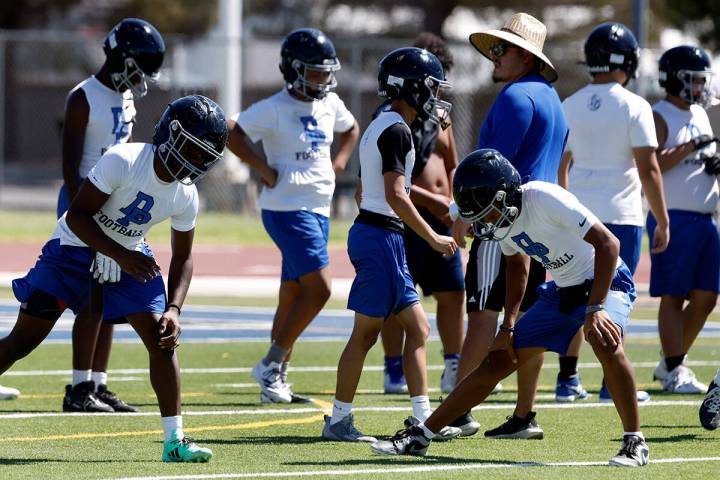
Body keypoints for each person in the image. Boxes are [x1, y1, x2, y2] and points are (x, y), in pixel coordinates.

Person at [371, 149, 649, 468]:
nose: (484, 222)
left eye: (486, 212)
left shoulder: (543, 198)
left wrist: (596, 307)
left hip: (607, 280)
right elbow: (518, 266)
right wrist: (508, 325)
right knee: (498, 359)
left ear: (504, 195)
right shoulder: (506, 220)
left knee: (606, 342)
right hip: (563, 290)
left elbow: (608, 244)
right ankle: (422, 435)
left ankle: (635, 442)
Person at [3, 95, 227, 462]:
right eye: (193, 149)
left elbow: (184, 256)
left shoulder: (186, 195)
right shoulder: (125, 160)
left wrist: (174, 308)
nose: (197, 161)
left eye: (205, 156)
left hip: (127, 256)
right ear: (172, 134)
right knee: (21, 343)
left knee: (162, 340)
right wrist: (117, 253)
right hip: (71, 253)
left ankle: (175, 441)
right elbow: (77, 217)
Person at [321, 47, 460, 443]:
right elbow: (397, 194)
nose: (434, 97)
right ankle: (339, 421)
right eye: (430, 88)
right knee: (365, 334)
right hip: (382, 236)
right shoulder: (397, 127)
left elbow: (367, 192)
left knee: (417, 329)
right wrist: (432, 236)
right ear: (410, 87)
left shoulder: (386, 123)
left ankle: (424, 418)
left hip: (383, 235)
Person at [449, 12, 568, 438]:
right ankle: (523, 414)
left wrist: (461, 214)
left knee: (483, 311)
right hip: (544, 225)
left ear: (526, 56)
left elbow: (490, 170)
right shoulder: (553, 100)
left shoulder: (517, 98)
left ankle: (457, 411)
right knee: (529, 318)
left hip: (502, 224)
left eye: (502, 50)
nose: (493, 57)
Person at [226, 28, 359, 404]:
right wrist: (261, 168)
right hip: (286, 207)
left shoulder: (330, 103)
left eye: (325, 71)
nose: (323, 79)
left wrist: (340, 161)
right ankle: (271, 362)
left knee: (293, 293)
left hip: (317, 207)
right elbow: (230, 131)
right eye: (315, 72)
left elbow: (351, 130)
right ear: (294, 69)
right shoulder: (272, 108)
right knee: (320, 287)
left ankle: (276, 379)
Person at [553, 23, 670, 404]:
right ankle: (610, 383)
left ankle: (567, 379)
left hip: (581, 215)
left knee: (574, 295)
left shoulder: (569, 103)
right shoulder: (635, 105)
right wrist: (662, 219)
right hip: (621, 215)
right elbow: (649, 169)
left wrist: (566, 207)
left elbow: (561, 165)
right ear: (628, 61)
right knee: (614, 299)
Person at [59, 18, 165, 413]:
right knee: (90, 297)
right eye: (140, 66)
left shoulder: (125, 97)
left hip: (115, 204)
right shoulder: (83, 97)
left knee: (106, 299)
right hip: (85, 204)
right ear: (121, 57)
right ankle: (78, 387)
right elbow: (71, 169)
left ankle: (98, 383)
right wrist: (88, 219)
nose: (143, 78)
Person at [376, 32, 464, 395]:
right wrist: (433, 202)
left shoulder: (440, 118)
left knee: (453, 292)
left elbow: (453, 164)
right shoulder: (394, 119)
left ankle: (453, 364)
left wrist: (458, 206)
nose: (436, 91)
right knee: (400, 295)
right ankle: (393, 367)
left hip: (442, 218)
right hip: (408, 217)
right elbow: (396, 182)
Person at [649, 45, 719, 394]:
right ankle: (675, 366)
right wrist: (692, 148)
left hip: (705, 217)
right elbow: (653, 164)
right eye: (694, 80)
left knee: (707, 296)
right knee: (673, 295)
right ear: (675, 79)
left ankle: (669, 362)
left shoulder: (700, 113)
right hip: (673, 216)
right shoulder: (659, 114)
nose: (700, 87)